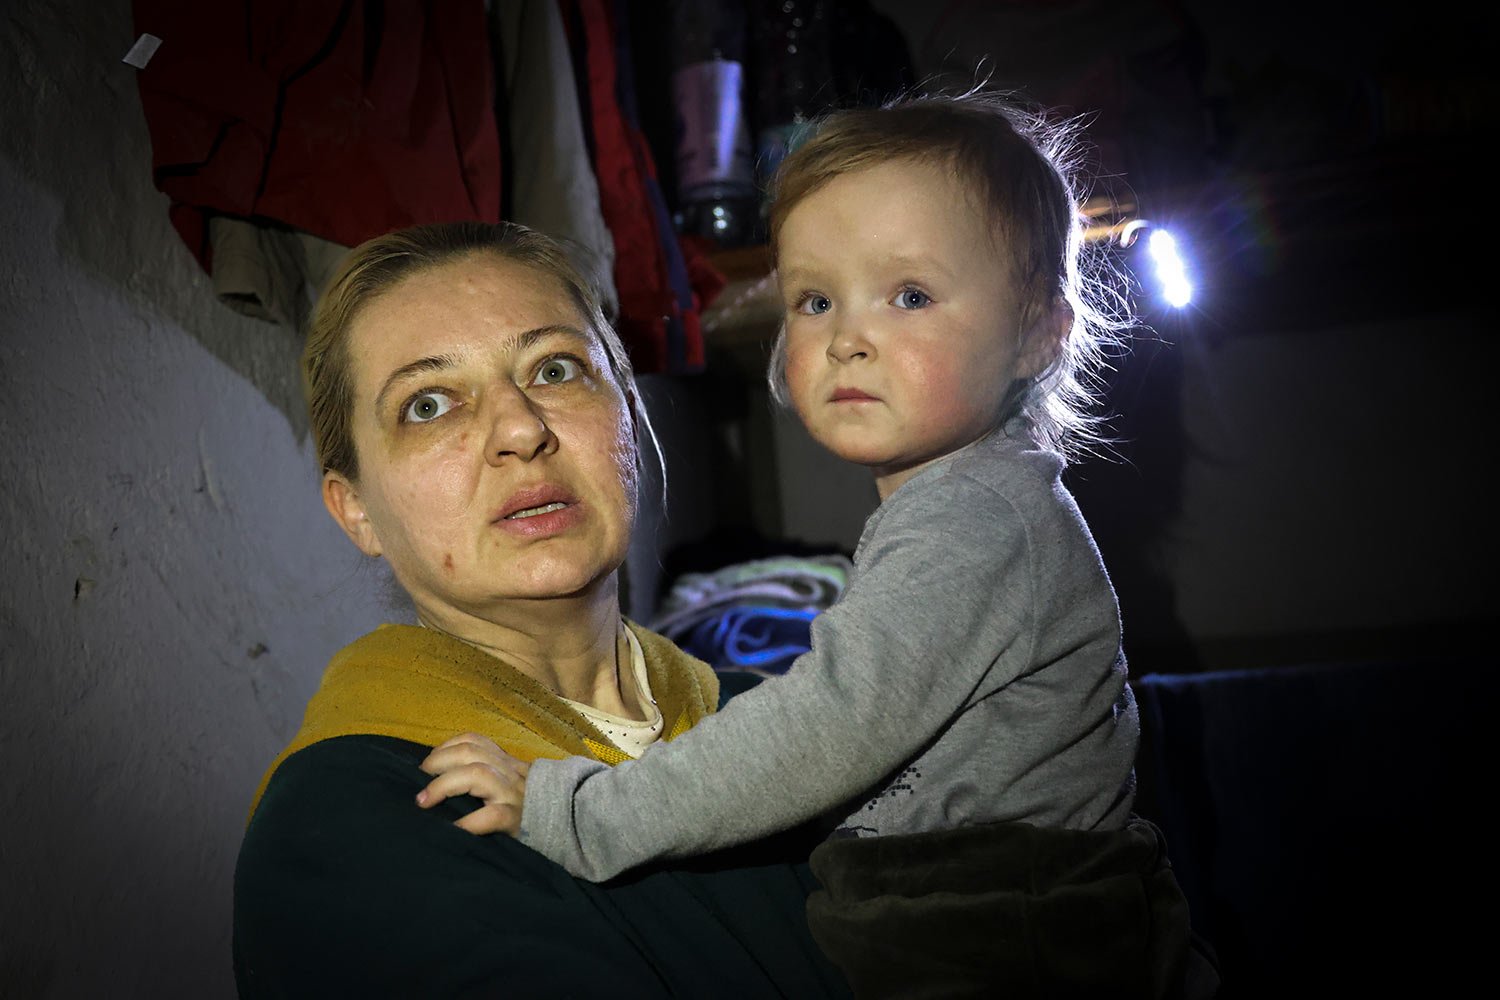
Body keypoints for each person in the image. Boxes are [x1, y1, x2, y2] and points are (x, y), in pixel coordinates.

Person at [418, 88, 1219, 998]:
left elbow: (825, 730)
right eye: (814, 300)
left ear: (1039, 332)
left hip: (1014, 939)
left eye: (909, 295)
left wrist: (575, 813)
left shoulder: (977, 525)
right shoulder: (961, 506)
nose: (848, 340)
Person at [230, 221, 852, 998]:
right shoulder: (344, 824)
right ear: (355, 510)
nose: (522, 430)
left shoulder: (785, 723)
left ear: (629, 414)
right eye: (428, 405)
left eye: (555, 368)